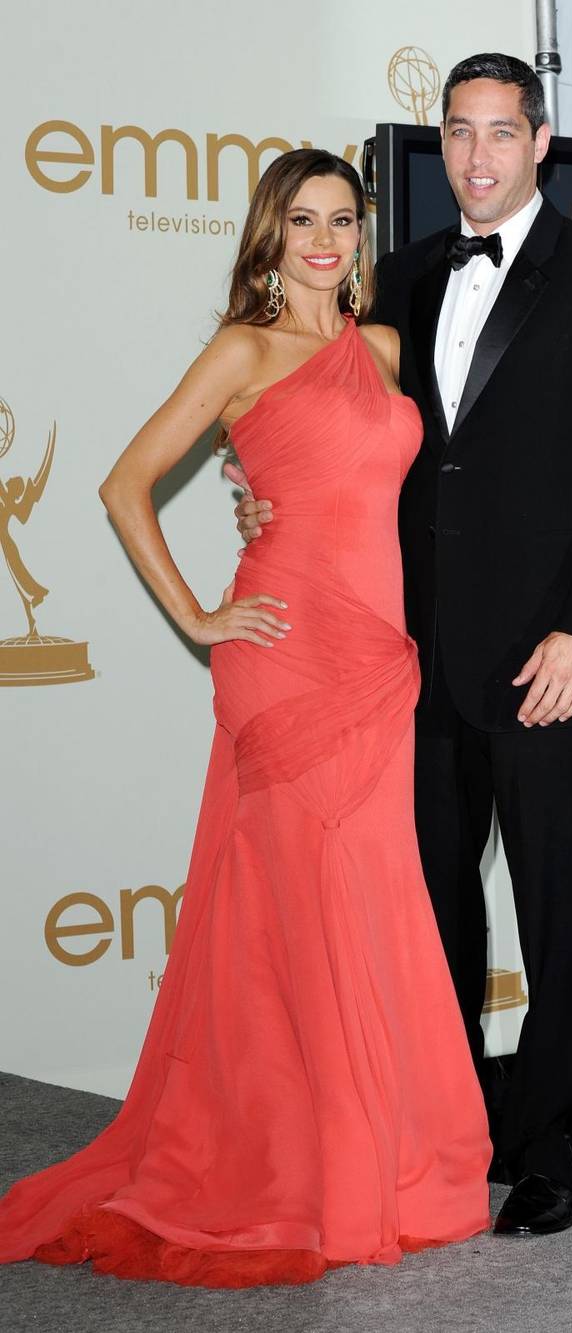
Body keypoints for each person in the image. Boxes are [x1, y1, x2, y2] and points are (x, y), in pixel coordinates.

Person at [0, 149, 491, 1287]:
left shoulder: (379, 350)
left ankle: (378, 1157)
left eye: (341, 221)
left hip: (377, 657)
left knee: (368, 905)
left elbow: (383, 488)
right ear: (268, 238)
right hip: (282, 655)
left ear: (361, 237)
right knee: (297, 911)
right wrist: (200, 618)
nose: (323, 242)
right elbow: (124, 484)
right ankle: (303, 1167)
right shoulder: (241, 349)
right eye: (300, 222)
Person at [232, 55, 572, 1238]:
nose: (475, 157)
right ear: (438, 146)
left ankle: (547, 1150)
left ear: (540, 142)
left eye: (498, 133)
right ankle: (449, 1132)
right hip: (404, 660)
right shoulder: (404, 280)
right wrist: (261, 494)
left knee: (554, 917)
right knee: (427, 916)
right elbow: (342, 433)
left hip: (543, 658)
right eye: (456, 135)